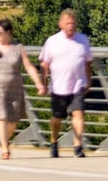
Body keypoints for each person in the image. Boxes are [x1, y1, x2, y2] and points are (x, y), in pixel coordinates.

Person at [0, 18, 46, 160]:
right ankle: (5, 149)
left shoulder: (18, 48)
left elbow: (28, 66)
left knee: (13, 121)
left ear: (8, 32)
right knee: (2, 118)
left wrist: (39, 83)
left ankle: (5, 139)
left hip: (16, 88)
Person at [39, 9, 93, 158]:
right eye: (67, 23)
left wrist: (89, 80)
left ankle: (78, 146)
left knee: (79, 113)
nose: (70, 26)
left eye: (73, 23)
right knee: (57, 118)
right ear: (61, 24)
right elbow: (44, 64)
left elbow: (88, 62)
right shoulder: (53, 41)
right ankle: (54, 141)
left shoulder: (83, 40)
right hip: (58, 86)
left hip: (78, 84)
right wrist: (42, 83)